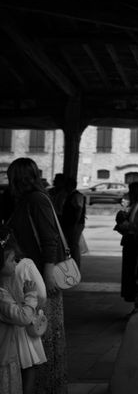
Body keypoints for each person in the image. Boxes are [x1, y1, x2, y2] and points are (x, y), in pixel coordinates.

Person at [7, 157, 68, 393]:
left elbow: (49, 237)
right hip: (34, 276)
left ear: (18, 178)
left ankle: (46, 386)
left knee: (40, 332)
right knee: (36, 333)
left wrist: (49, 272)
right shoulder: (26, 200)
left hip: (41, 277)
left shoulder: (36, 200)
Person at [0, 233, 38, 394]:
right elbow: (23, 317)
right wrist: (30, 295)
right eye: (11, 260)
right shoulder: (1, 296)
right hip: (4, 357)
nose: (16, 263)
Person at [9, 252, 47, 394]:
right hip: (23, 324)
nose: (14, 264)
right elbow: (42, 294)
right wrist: (34, 306)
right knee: (27, 366)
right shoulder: (24, 265)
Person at [114, 181, 138, 312]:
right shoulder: (136, 205)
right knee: (131, 275)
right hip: (130, 243)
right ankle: (136, 305)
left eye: (131, 191)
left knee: (136, 274)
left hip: (136, 244)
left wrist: (124, 224)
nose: (128, 194)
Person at [60, 176, 86, 269]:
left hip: (75, 224)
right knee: (72, 244)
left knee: (74, 245)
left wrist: (75, 223)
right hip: (72, 223)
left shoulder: (76, 195)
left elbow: (79, 209)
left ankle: (76, 266)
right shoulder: (70, 195)